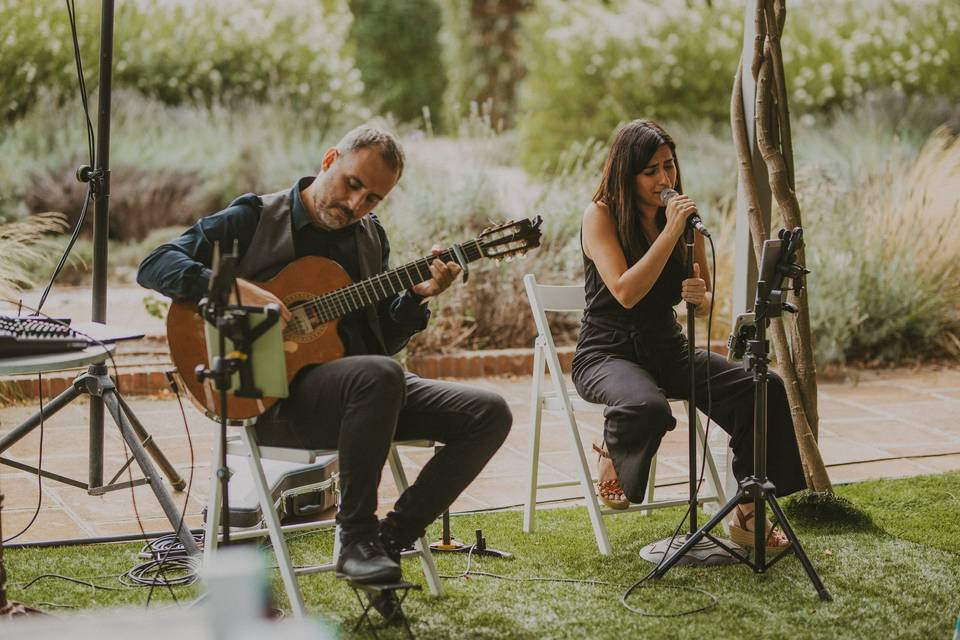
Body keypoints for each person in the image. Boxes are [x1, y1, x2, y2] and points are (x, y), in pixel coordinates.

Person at [137, 125, 512, 587]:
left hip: (366, 396)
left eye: (373, 199)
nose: (357, 205)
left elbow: (380, 344)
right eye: (353, 184)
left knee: (488, 412)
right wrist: (242, 292)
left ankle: (388, 538)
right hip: (273, 397)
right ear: (329, 159)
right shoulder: (256, 217)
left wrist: (417, 298)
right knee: (377, 376)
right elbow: (155, 263)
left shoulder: (370, 239)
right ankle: (354, 537)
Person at [571, 119, 805, 550]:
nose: (665, 179)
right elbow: (624, 291)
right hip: (608, 353)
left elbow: (702, 296)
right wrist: (671, 231)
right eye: (651, 171)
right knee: (645, 405)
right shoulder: (599, 215)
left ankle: (750, 513)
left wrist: (698, 295)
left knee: (762, 387)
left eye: (669, 166)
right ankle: (612, 450)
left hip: (668, 349)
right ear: (626, 173)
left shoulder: (687, 222)